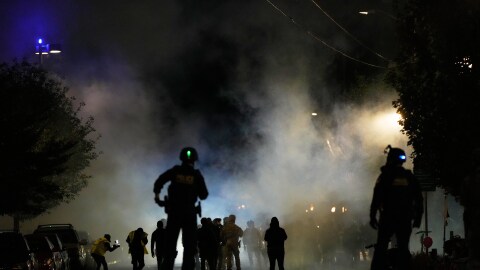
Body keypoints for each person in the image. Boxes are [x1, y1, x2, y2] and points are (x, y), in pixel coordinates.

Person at [153, 147, 209, 270]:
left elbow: (159, 182)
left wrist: (157, 197)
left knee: (169, 249)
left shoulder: (175, 171)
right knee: (189, 250)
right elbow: (204, 195)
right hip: (189, 214)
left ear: (181, 158)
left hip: (174, 213)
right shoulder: (196, 174)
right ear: (194, 160)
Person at [369, 145, 424, 270]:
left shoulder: (384, 177)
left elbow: (377, 198)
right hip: (405, 219)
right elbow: (419, 199)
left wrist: (372, 216)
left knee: (381, 248)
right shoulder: (409, 177)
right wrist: (418, 218)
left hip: (387, 218)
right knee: (403, 248)